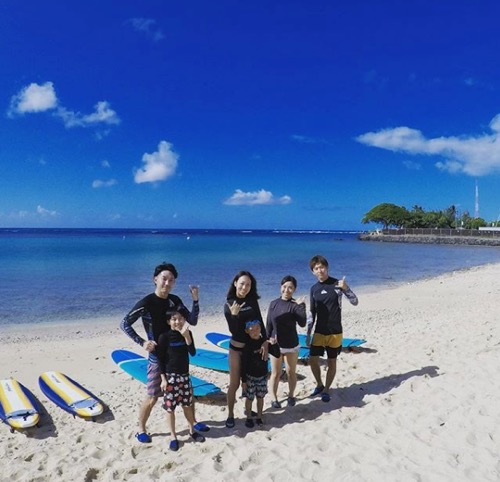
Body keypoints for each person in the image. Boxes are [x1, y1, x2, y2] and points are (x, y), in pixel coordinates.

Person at [120, 262, 208, 443]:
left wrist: (195, 300)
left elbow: (192, 320)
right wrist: (142, 342)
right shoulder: (146, 303)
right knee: (152, 396)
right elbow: (124, 324)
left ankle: (193, 422)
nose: (167, 283)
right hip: (157, 358)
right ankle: (141, 429)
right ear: (155, 279)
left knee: (188, 395)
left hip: (177, 355)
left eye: (171, 280)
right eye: (164, 279)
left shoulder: (174, 300)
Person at [306, 255, 358, 402]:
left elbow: (355, 301)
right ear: (313, 272)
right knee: (312, 360)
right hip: (319, 331)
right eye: (316, 268)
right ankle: (319, 384)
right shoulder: (313, 289)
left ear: (327, 268)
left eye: (322, 267)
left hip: (335, 331)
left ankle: (327, 389)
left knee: (332, 362)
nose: (320, 270)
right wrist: (308, 333)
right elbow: (312, 313)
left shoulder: (337, 284)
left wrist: (346, 288)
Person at [223, 270, 268, 428]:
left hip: (252, 348)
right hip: (236, 349)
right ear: (235, 283)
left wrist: (265, 341)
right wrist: (234, 316)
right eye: (242, 283)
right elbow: (234, 331)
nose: (244, 287)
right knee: (235, 383)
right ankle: (230, 414)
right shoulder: (229, 304)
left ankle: (247, 410)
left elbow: (260, 321)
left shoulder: (252, 301)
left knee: (249, 382)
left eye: (248, 284)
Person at [157, 310, 206, 451]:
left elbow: (192, 352)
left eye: (180, 319)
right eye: (174, 319)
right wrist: (163, 379)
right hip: (170, 377)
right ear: (169, 322)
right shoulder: (164, 337)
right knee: (170, 409)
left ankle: (192, 431)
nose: (178, 322)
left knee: (187, 405)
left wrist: (186, 336)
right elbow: (160, 360)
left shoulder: (187, 333)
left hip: (184, 376)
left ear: (184, 320)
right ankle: (173, 437)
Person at [266, 275, 307, 408]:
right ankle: (273, 398)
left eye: (290, 287)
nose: (286, 290)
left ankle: (291, 395)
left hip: (291, 344)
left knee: (290, 372)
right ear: (280, 287)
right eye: (284, 286)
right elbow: (268, 324)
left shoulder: (295, 305)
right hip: (275, 344)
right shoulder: (273, 304)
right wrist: (267, 340)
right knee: (275, 373)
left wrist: (302, 306)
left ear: (294, 290)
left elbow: (302, 323)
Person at [241, 320, 268, 427]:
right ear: (247, 331)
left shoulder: (264, 342)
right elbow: (243, 365)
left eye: (257, 328)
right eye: (252, 330)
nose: (255, 332)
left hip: (262, 376)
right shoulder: (247, 346)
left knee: (260, 397)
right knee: (249, 398)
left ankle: (259, 416)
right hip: (250, 377)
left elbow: (275, 353)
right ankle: (248, 417)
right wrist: (243, 381)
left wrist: (272, 343)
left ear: (261, 329)